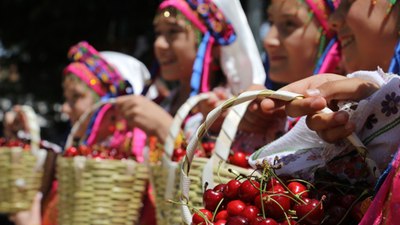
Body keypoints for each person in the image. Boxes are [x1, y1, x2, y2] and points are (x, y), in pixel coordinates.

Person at [35, 41, 156, 225]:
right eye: (66, 99)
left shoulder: (141, 158)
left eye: (76, 96)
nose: (65, 108)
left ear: (110, 103)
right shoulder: (75, 159)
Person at [115, 0, 267, 145]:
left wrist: (164, 127)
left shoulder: (229, 110)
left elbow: (211, 170)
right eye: (158, 33)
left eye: (173, 31)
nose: (159, 44)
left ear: (212, 45)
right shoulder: (161, 103)